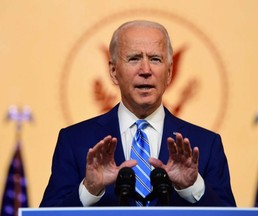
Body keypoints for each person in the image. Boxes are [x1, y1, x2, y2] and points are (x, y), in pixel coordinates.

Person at [40, 20, 236, 207]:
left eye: (155, 59)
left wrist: (193, 187)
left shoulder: (206, 145)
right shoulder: (75, 141)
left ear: (169, 73)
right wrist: (89, 190)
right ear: (114, 71)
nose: (145, 70)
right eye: (134, 58)